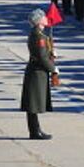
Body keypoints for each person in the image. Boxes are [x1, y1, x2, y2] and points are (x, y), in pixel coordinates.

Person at [20, 9, 58, 140]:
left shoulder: (39, 34)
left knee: (33, 103)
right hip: (37, 72)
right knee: (33, 104)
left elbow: (43, 53)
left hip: (37, 70)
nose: (46, 18)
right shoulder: (38, 36)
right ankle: (35, 132)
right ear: (38, 21)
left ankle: (35, 130)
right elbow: (41, 56)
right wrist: (53, 69)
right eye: (43, 17)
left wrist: (51, 53)